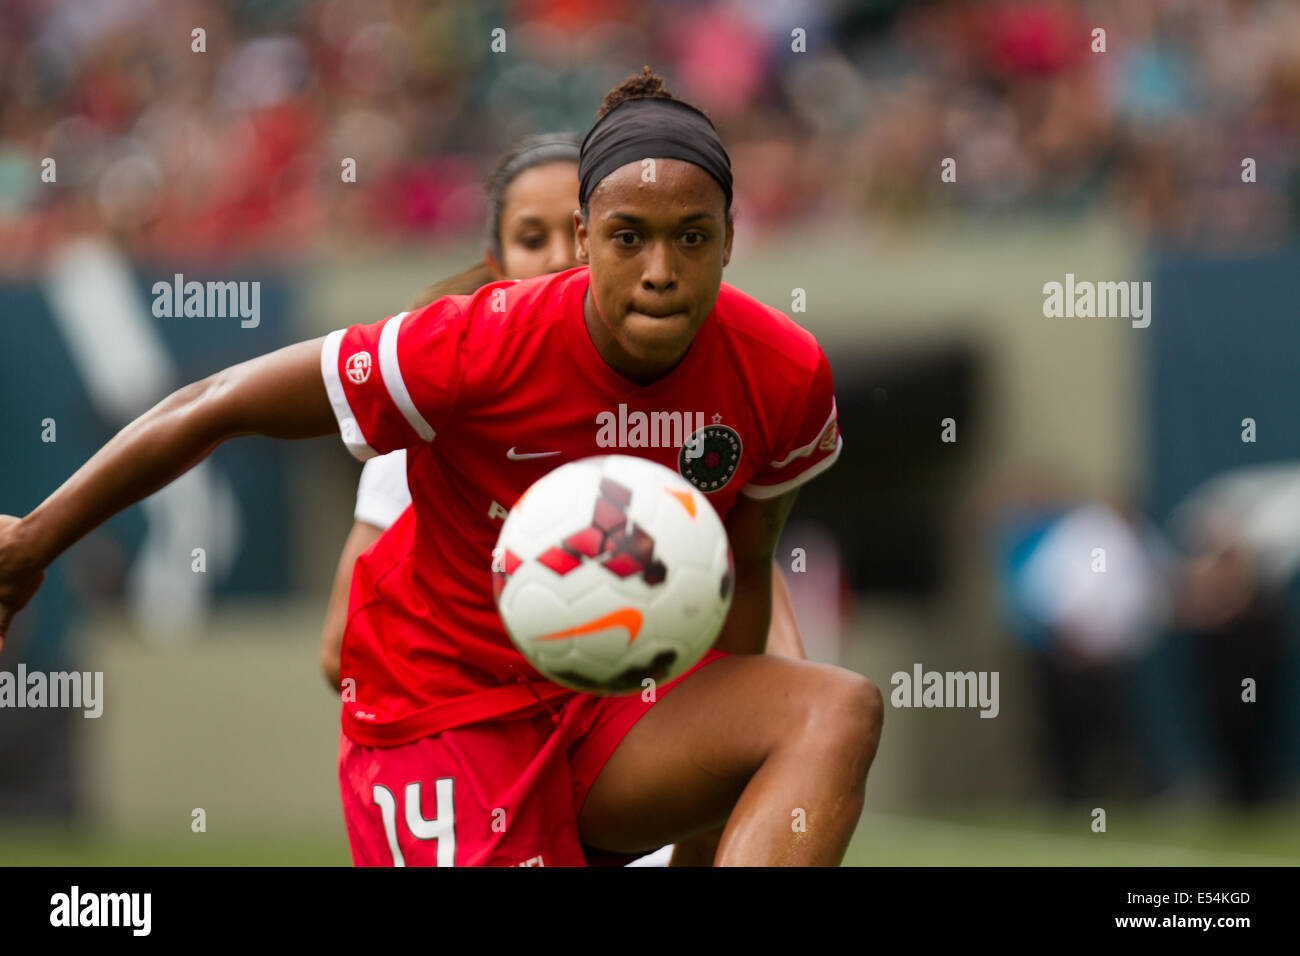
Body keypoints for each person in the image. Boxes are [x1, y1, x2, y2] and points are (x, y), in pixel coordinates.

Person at [0, 69, 884, 866]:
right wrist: (33, 544)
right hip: (444, 715)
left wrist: (702, 831)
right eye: (628, 238)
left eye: (692, 238)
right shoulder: (471, 345)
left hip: (612, 713)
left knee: (834, 708)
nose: (661, 271)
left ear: (732, 236)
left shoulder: (784, 375)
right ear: (586, 239)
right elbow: (219, 401)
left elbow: (747, 577)